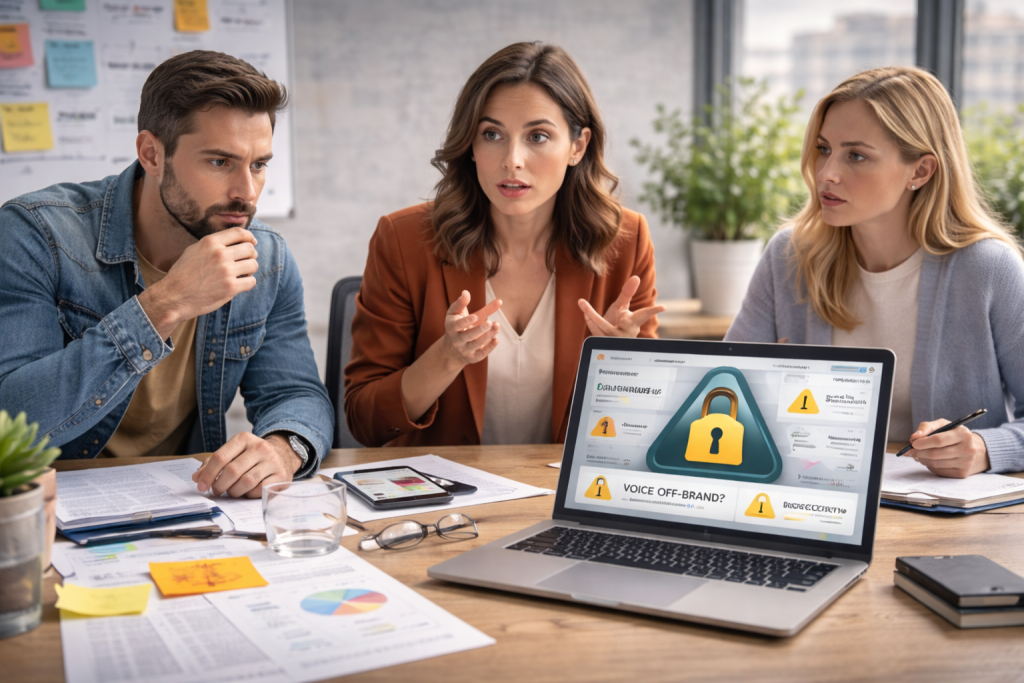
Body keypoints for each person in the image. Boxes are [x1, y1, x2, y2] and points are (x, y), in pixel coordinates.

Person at [0, 51, 334, 498]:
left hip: (189, 506)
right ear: (152, 154)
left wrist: (283, 447)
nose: (247, 193)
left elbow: (297, 395)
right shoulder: (36, 234)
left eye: (258, 165)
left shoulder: (267, 257)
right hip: (51, 509)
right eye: (219, 162)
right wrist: (165, 303)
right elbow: (13, 424)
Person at [345, 42, 665, 448]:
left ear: (578, 146)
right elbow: (364, 421)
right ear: (471, 145)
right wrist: (448, 357)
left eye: (538, 136)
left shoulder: (626, 240)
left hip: (560, 497)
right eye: (492, 134)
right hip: (447, 501)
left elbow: (648, 431)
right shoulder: (404, 240)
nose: (512, 159)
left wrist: (626, 370)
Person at [726, 66, 1024, 478]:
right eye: (823, 148)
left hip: (943, 519)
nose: (827, 173)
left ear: (920, 171)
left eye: (857, 155)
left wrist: (985, 449)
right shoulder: (789, 256)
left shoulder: (989, 269)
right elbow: (726, 397)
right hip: (812, 495)